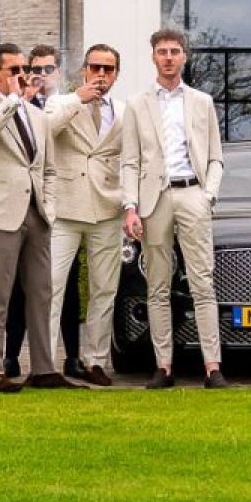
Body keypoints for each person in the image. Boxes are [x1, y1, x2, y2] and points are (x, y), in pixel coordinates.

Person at [119, 26, 226, 390]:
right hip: (153, 199)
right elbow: (129, 161)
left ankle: (213, 366)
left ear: (184, 56)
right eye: (162, 51)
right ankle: (163, 366)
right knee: (158, 286)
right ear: (153, 56)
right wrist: (130, 207)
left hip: (192, 194)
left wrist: (207, 195)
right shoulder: (136, 104)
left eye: (174, 51)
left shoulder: (202, 101)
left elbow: (216, 158)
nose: (168, 57)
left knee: (203, 283)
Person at [0, 43, 73, 391]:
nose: (22, 75)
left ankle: (44, 368)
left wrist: (50, 208)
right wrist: (14, 99)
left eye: (23, 69)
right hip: (0, 214)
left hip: (37, 214)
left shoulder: (37, 116)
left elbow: (47, 169)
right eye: (14, 70)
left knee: (42, 293)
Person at [43, 43, 128, 386]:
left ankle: (95, 359)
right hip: (66, 206)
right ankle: (45, 363)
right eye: (95, 68)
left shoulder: (123, 111)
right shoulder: (60, 102)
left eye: (108, 69)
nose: (101, 75)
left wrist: (128, 200)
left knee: (104, 289)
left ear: (116, 74)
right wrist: (78, 98)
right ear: (84, 70)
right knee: (51, 287)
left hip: (107, 207)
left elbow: (131, 158)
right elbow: (43, 132)